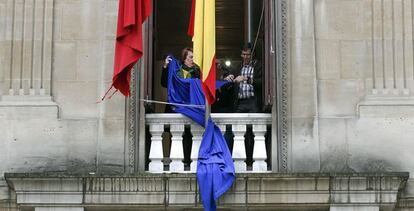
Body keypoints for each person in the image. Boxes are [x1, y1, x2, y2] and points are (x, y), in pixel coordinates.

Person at [160, 47, 201, 113]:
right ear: (184, 58)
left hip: (190, 108)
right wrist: (165, 66)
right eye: (191, 57)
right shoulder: (176, 71)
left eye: (194, 57)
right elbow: (164, 83)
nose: (193, 60)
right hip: (175, 107)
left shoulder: (196, 73)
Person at [225, 44, 262, 113]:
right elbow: (227, 80)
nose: (245, 57)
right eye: (243, 54)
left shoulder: (258, 66)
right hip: (240, 102)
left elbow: (262, 83)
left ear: (253, 54)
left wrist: (246, 79)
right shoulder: (237, 67)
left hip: (253, 101)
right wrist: (228, 78)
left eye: (248, 55)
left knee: (254, 122)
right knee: (238, 122)